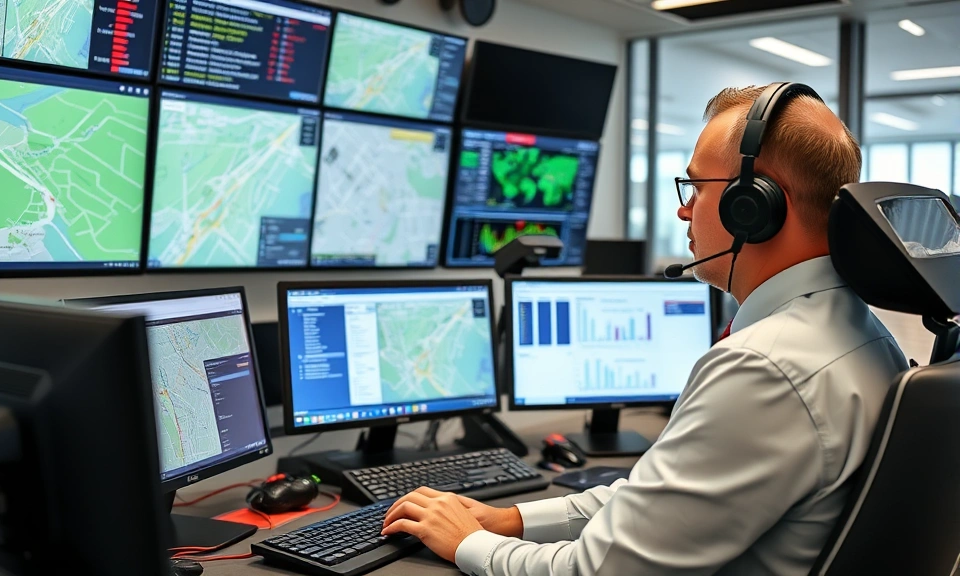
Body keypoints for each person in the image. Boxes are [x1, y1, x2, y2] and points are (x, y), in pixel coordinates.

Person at [380, 83, 909, 575]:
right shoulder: (858, 330)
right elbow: (667, 501)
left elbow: (600, 570)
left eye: (697, 187)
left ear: (754, 207)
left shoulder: (765, 367)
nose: (683, 209)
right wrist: (513, 519)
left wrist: (468, 544)